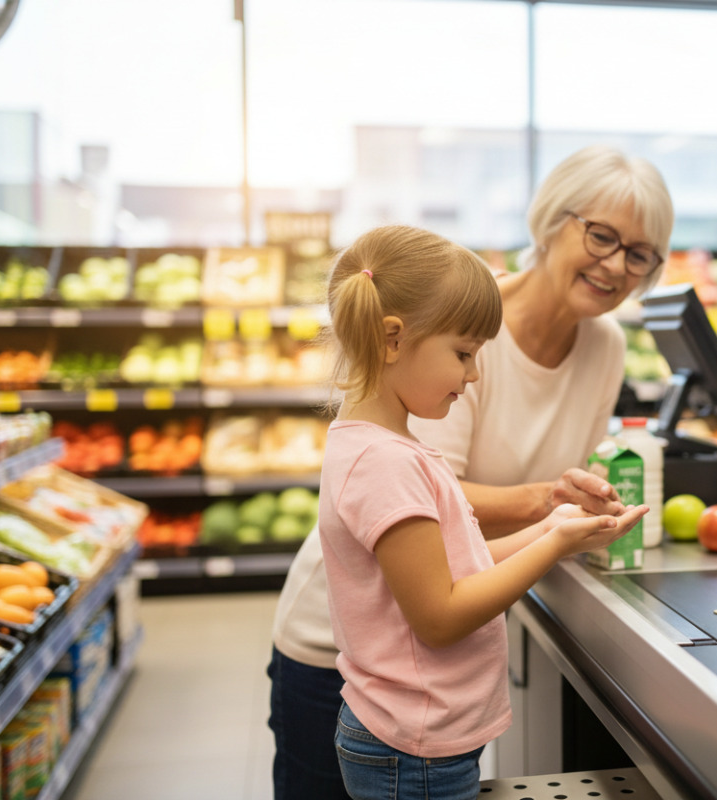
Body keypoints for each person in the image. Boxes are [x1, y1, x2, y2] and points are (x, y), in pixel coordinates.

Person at [268, 145, 675, 799]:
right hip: (353, 652)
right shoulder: (446, 328)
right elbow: (435, 503)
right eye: (602, 235)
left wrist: (566, 515)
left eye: (639, 254)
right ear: (551, 220)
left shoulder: (605, 347)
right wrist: (549, 513)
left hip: (429, 680)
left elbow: (454, 537)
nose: (615, 264)